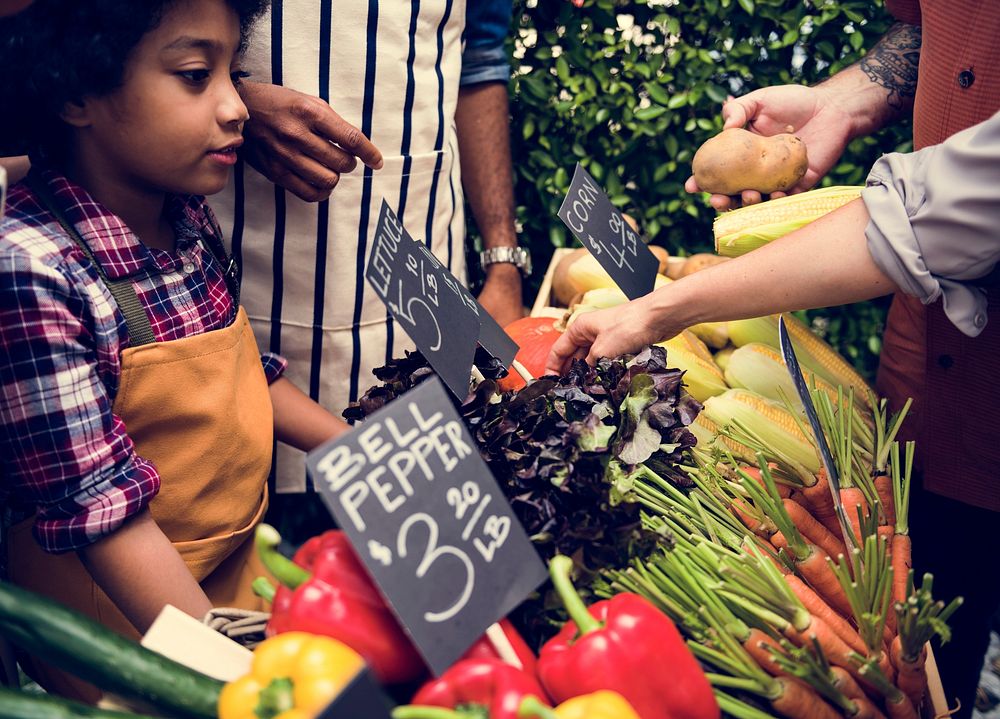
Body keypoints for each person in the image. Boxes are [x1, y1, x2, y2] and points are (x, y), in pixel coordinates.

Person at [550, 2, 1000, 711]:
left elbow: (933, 211)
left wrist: (663, 307)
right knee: (930, 636)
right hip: (932, 376)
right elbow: (945, 30)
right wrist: (839, 102)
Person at [0, 0, 352, 700]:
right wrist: (243, 686)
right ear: (76, 92)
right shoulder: (32, 268)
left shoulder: (183, 216)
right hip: (125, 642)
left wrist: (369, 454)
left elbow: (244, 373)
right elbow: (107, 519)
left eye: (233, 71)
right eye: (196, 75)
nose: (237, 107)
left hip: (230, 586)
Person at [211, 0, 528, 496]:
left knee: (425, 513)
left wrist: (502, 264)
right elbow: (127, 36)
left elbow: (481, 58)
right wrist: (232, 101)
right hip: (240, 264)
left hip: (425, 258)